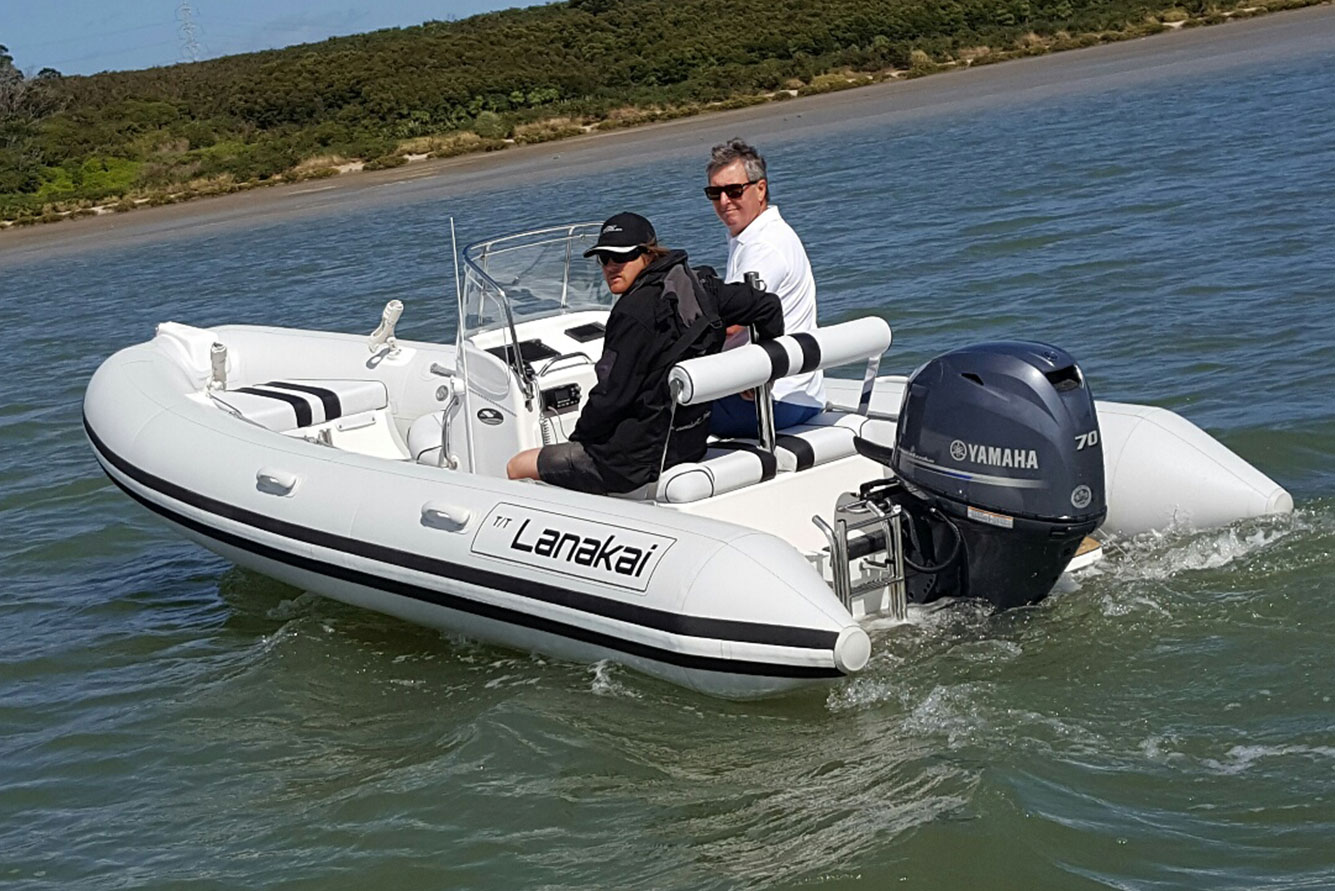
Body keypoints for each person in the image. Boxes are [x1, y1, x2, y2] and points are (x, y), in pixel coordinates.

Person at [507, 212, 784, 495]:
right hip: (690, 443)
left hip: (632, 465)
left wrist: (579, 438)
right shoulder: (700, 286)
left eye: (621, 257)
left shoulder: (631, 314)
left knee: (518, 466)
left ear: (648, 254)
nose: (611, 267)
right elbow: (768, 306)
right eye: (604, 258)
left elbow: (611, 397)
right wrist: (763, 375)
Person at [705, 138, 825, 437]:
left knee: (652, 403)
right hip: (797, 392)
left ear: (760, 189)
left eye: (734, 191)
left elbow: (732, 326)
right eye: (714, 193)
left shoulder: (763, 247)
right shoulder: (758, 235)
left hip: (772, 399)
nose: (724, 201)